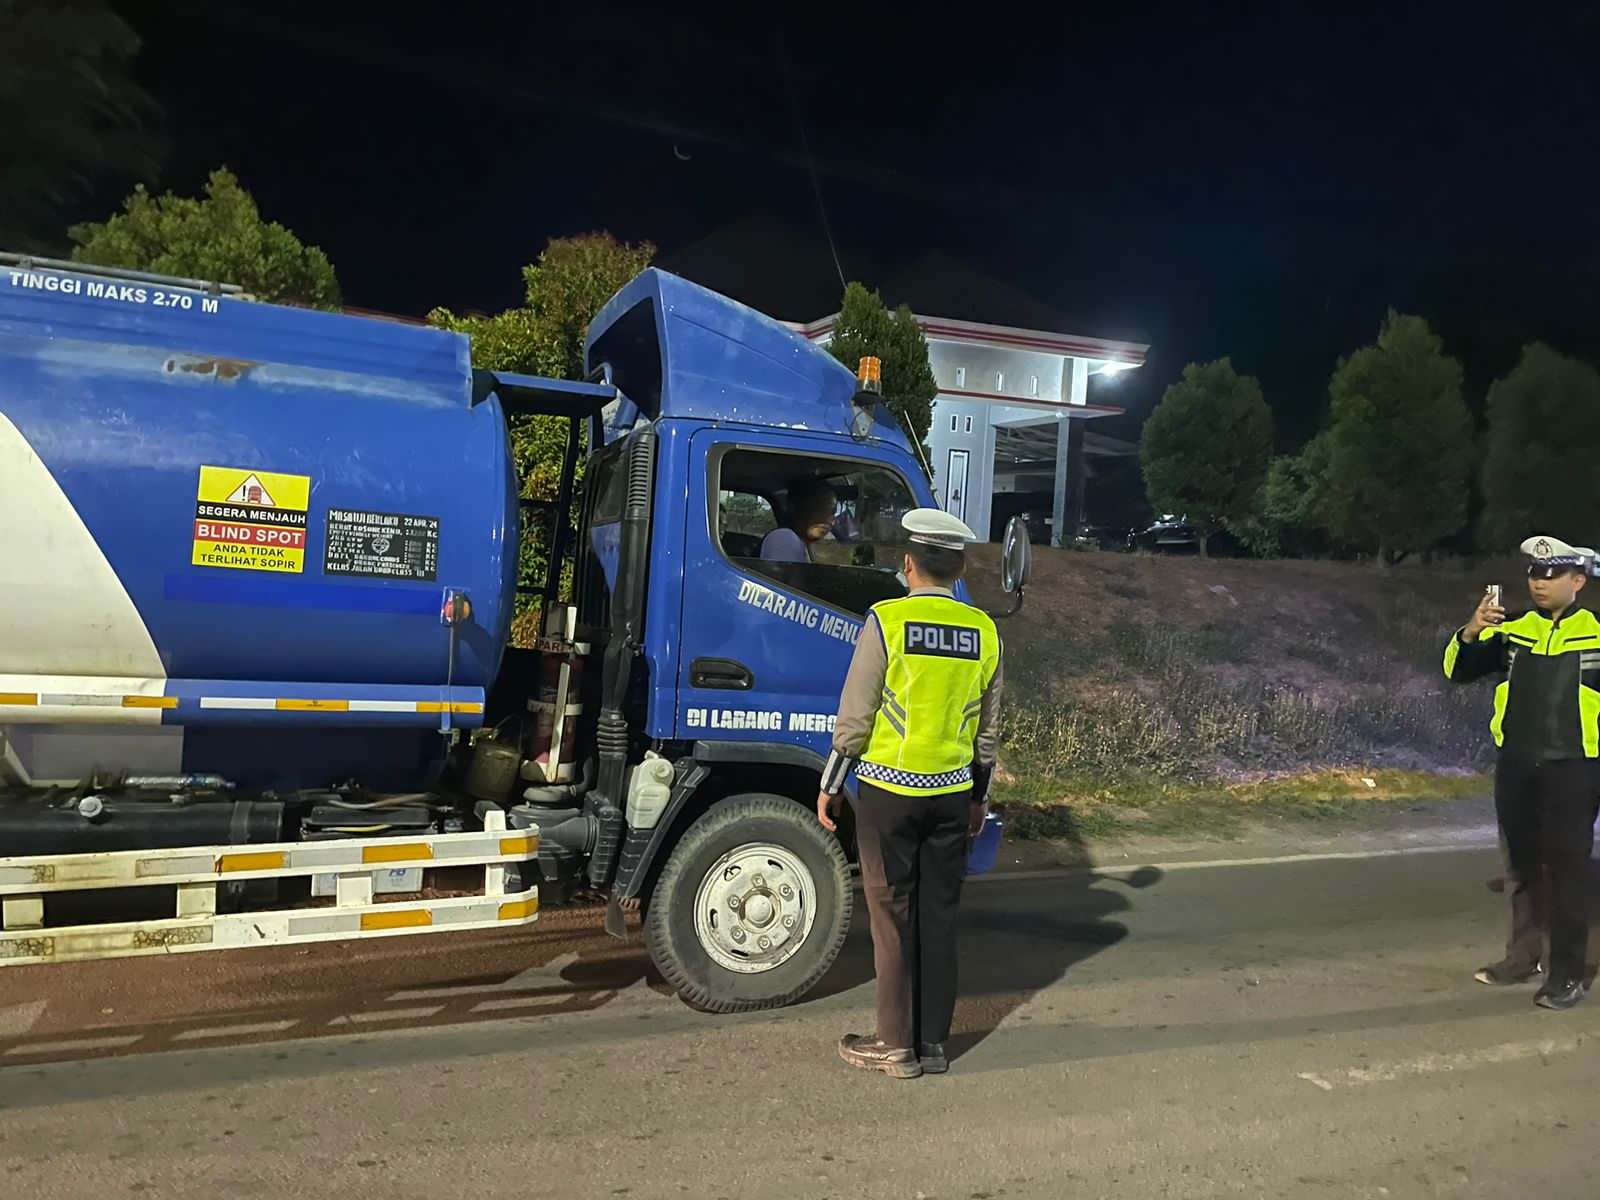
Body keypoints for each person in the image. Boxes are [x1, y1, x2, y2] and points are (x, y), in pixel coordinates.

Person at [816, 508, 1003, 1077]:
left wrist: (830, 785)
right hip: (951, 793)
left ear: (908, 564)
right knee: (939, 914)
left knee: (892, 915)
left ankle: (895, 1045)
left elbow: (857, 713)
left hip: (886, 791)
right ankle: (932, 1045)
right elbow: (986, 731)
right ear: (960, 567)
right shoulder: (985, 631)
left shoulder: (887, 621)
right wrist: (978, 799)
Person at [1444, 535, 1600, 1010]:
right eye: (1534, 574)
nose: (1540, 583)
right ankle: (1523, 957)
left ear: (1578, 580)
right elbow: (1459, 671)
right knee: (1522, 870)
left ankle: (1570, 971)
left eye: (1552, 576)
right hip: (1517, 765)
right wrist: (1471, 630)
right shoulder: (1514, 631)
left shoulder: (1597, 634)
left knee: (1569, 872)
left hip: (1576, 768)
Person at [761, 478, 838, 563]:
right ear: (804, 509)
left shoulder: (802, 544)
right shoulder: (784, 537)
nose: (831, 521)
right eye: (826, 510)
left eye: (833, 513)